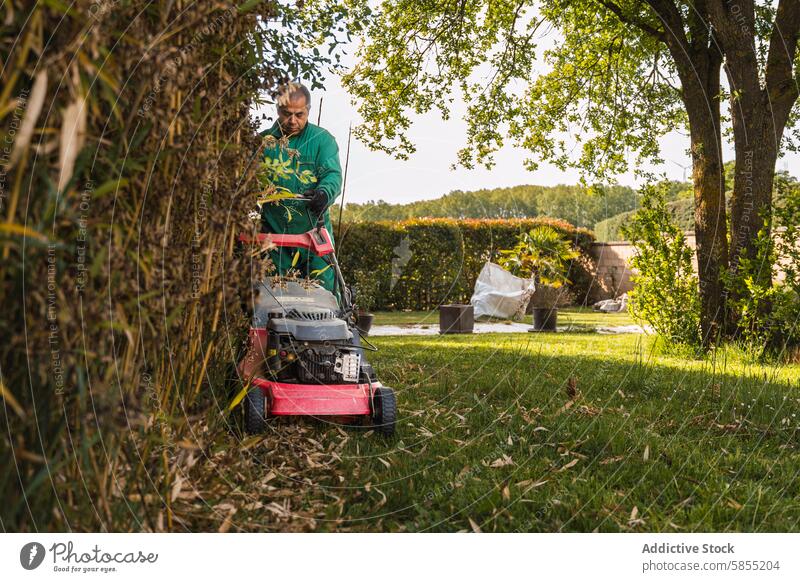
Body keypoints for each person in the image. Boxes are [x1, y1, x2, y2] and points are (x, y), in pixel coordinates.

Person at [260, 82, 342, 291]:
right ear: (278, 110)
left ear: (308, 111)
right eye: (287, 114)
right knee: (275, 293)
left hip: (314, 232)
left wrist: (324, 193)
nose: (293, 121)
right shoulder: (263, 144)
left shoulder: (322, 140)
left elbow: (332, 175)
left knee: (324, 291)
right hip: (275, 235)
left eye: (300, 114)